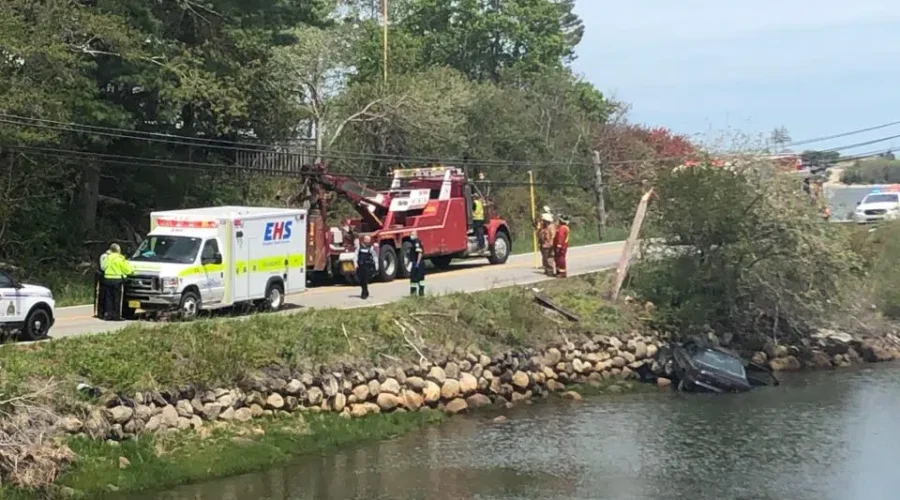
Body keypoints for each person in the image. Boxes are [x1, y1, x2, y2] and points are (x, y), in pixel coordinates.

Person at [102, 243, 135, 321]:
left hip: (107, 279)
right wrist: (132, 269)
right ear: (118, 250)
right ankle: (117, 316)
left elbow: (103, 267)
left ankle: (108, 315)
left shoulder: (107, 258)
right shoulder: (120, 259)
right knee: (117, 299)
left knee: (108, 298)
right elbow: (128, 270)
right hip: (117, 280)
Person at [356, 235, 376, 299]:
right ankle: (365, 291)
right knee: (361, 280)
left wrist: (376, 265)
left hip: (367, 266)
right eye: (366, 240)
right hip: (360, 266)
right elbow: (355, 255)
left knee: (365, 280)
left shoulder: (371, 248)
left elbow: (375, 256)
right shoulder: (359, 247)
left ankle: (364, 293)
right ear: (364, 240)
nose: (367, 241)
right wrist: (355, 263)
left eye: (368, 240)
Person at [94, 248, 111, 318]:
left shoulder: (105, 256)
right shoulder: (105, 256)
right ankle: (101, 312)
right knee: (102, 295)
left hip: (105, 276)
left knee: (105, 295)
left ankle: (103, 312)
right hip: (103, 276)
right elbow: (103, 267)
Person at [408, 232, 425, 296]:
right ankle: (415, 294)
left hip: (417, 263)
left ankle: (418, 293)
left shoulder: (416, 242)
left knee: (417, 278)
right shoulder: (414, 242)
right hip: (416, 263)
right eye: (410, 235)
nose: (411, 236)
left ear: (416, 235)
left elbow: (419, 253)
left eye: (412, 234)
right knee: (415, 279)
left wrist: (417, 263)